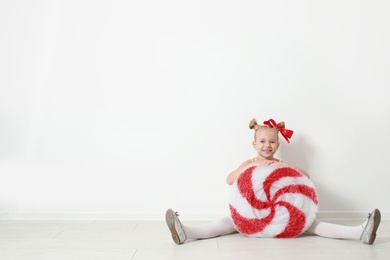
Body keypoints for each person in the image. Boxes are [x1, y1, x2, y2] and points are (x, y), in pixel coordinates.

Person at [165, 118, 381, 245]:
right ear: (254, 144)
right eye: (262, 141)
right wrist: (249, 167)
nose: (267, 145)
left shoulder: (279, 165)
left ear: (277, 145)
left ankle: (359, 233)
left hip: (280, 218)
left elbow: (306, 176)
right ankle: (187, 233)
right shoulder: (249, 163)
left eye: (272, 142)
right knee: (227, 221)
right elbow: (230, 179)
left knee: (312, 223)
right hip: (251, 216)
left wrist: (283, 167)